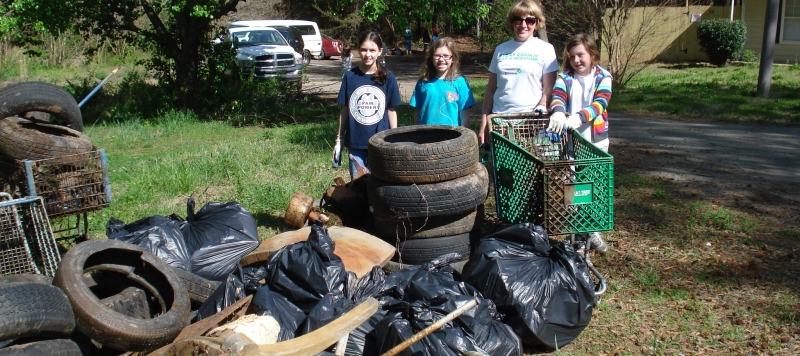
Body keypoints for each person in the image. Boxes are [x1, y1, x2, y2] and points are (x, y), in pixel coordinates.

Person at [547, 33, 613, 253]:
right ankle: (579, 231)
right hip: (571, 143)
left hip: (595, 142)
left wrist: (579, 117)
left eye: (581, 55)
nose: (577, 60)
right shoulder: (565, 77)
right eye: (572, 56)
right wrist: (557, 112)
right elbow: (557, 95)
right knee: (574, 186)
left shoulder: (603, 76)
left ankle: (592, 228)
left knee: (594, 184)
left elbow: (600, 104)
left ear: (592, 54)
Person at [478, 0, 558, 145]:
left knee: (531, 167)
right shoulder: (501, 49)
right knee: (503, 167)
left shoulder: (546, 49)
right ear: (512, 22)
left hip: (531, 121)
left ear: (537, 23)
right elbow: (490, 90)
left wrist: (541, 108)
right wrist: (484, 123)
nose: (523, 25)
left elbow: (549, 89)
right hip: (500, 121)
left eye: (529, 20)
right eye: (518, 19)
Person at [333, 31, 402, 179]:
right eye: (364, 49)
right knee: (357, 186)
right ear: (358, 50)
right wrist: (338, 139)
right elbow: (344, 109)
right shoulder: (350, 77)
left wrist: (394, 139)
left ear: (380, 51)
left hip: (380, 142)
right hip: (355, 142)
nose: (368, 54)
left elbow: (391, 110)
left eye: (372, 50)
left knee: (378, 185)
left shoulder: (388, 78)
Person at [409, 37, 476, 127]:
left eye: (446, 55)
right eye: (437, 55)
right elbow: (417, 113)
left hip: (452, 137)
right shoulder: (423, 82)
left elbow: (465, 116)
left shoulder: (460, 82)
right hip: (426, 136)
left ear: (453, 59)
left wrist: (463, 138)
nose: (441, 59)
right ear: (431, 58)